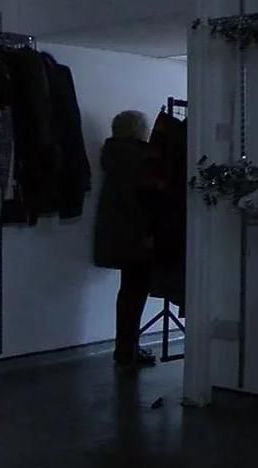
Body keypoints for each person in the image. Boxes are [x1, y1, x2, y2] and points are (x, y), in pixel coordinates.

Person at [94, 111, 161, 369]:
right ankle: (127, 350)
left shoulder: (113, 154)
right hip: (137, 233)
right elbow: (143, 200)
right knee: (136, 291)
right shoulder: (141, 156)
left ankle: (125, 348)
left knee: (128, 292)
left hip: (118, 234)